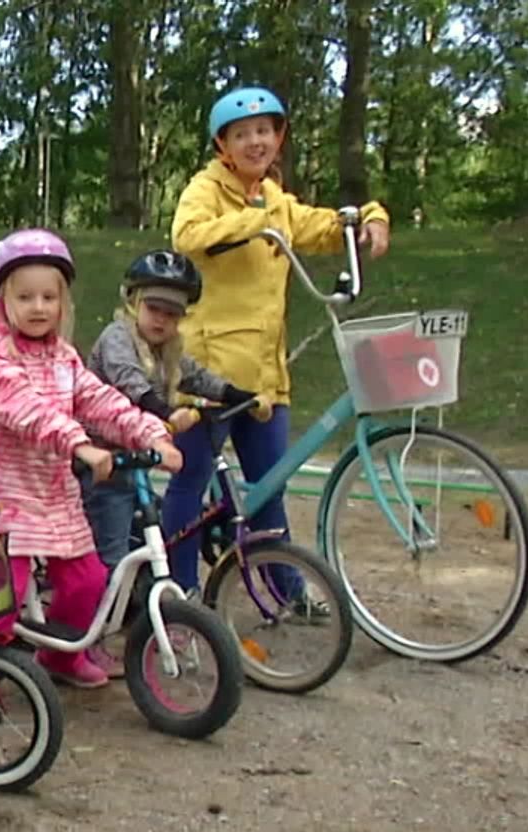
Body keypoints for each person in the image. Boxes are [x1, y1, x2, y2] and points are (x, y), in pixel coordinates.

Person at [167, 85, 391, 590]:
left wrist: (370, 216)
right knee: (190, 478)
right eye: (242, 134)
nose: (255, 142)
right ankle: (178, 594)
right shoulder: (205, 189)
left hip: (267, 374)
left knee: (270, 487)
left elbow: (321, 225)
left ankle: (286, 592)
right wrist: (256, 222)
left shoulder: (275, 198)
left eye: (264, 131)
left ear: (278, 137)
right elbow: (188, 235)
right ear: (223, 145)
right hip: (209, 370)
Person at [0, 228, 182, 687]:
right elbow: (28, 411)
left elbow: (100, 400)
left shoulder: (64, 357)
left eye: (49, 297)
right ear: (3, 301)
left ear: (64, 303)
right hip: (2, 498)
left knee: (88, 580)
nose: (39, 307)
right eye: (25, 297)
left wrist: (152, 434)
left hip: (53, 494)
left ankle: (59, 658)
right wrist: (79, 444)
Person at [81, 249, 269, 568]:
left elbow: (196, 377)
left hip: (133, 460)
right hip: (99, 463)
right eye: (153, 308)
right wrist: (167, 414)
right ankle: (105, 596)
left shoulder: (167, 349)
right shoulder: (118, 338)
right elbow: (131, 382)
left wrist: (241, 396)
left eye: (171, 314)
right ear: (133, 303)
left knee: (147, 533)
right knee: (113, 551)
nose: (161, 319)